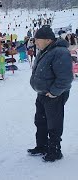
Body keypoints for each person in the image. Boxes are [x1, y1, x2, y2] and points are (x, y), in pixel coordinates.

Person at [28, 25, 73, 162]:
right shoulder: (45, 50)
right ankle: (42, 146)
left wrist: (54, 92)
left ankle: (55, 151)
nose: (35, 43)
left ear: (48, 40)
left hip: (54, 96)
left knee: (54, 124)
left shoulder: (60, 52)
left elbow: (65, 78)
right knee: (40, 121)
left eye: (37, 40)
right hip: (42, 94)